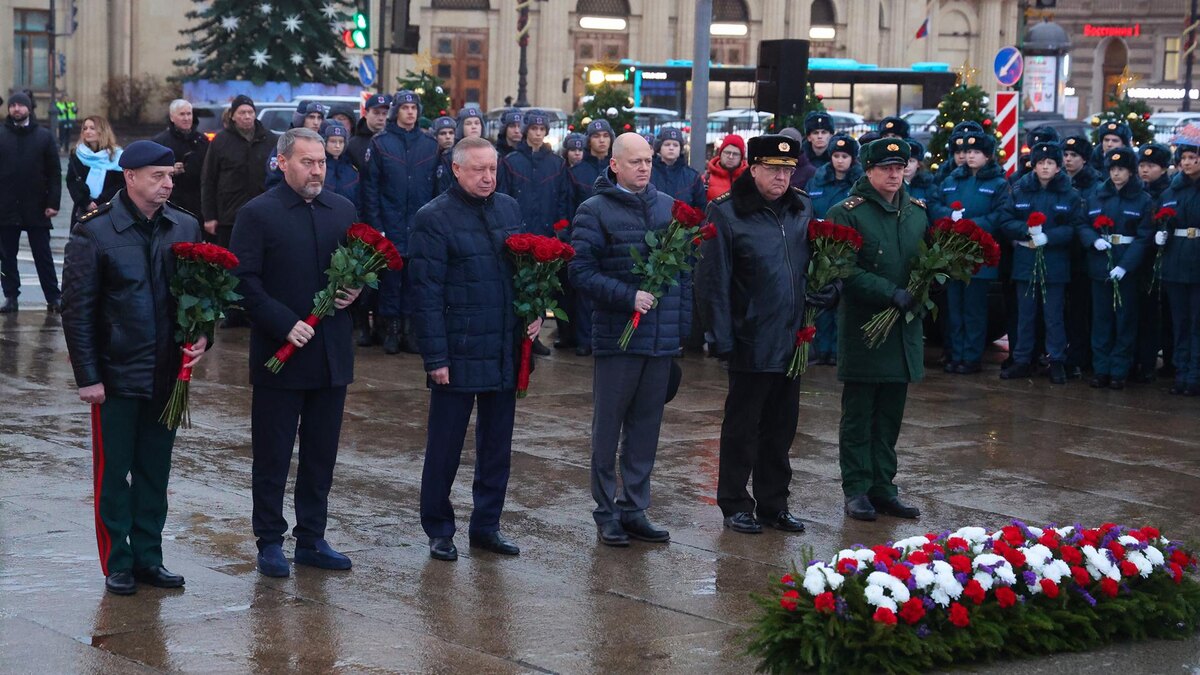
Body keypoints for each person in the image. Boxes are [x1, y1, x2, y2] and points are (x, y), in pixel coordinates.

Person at [61, 140, 205, 595]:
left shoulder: (185, 224)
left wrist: (204, 335)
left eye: (170, 177)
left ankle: (149, 558)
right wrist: (89, 377)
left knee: (154, 474)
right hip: (117, 375)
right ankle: (117, 561)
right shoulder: (95, 232)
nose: (167, 184)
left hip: (167, 375)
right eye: (157, 176)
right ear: (130, 177)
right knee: (114, 474)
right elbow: (77, 311)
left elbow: (201, 293)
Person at [229, 128, 361, 578]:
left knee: (321, 454)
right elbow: (243, 281)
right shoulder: (257, 214)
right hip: (280, 353)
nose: (317, 170)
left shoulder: (342, 210)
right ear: (282, 163)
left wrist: (356, 291)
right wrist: (283, 322)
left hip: (330, 356)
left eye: (321, 162)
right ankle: (269, 540)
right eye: (307, 162)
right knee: (273, 455)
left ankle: (312, 538)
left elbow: (357, 269)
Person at [408, 136, 542, 562]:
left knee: (497, 446)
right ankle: (439, 529)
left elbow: (523, 274)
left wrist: (534, 312)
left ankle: (487, 525)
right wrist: (436, 358)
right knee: (445, 447)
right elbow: (425, 294)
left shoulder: (509, 208)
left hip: (503, 346)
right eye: (478, 170)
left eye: (492, 169)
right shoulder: (433, 218)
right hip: (459, 349)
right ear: (456, 170)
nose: (488, 177)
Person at [702, 134, 835, 535]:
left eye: (788, 170)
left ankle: (774, 504)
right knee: (743, 427)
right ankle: (734, 503)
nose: (782, 177)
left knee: (781, 427)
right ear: (753, 169)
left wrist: (829, 289)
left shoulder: (801, 207)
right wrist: (721, 336)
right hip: (751, 335)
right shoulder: (726, 212)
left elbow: (815, 260)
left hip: (793, 336)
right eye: (774, 170)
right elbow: (713, 280)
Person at [570, 133, 691, 547]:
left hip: (660, 341)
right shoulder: (594, 210)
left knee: (645, 430)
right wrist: (627, 297)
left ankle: (634, 507)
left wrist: (681, 333)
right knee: (607, 432)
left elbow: (683, 277)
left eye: (649, 160)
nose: (644, 167)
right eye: (635, 161)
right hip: (618, 340)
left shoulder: (669, 208)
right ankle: (606, 512)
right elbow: (580, 272)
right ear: (615, 165)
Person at [824, 139, 927, 522]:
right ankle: (857, 489)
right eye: (885, 168)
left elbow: (926, 260)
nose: (894, 174)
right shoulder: (847, 213)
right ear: (868, 170)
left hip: (902, 332)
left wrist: (929, 284)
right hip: (866, 330)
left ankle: (884, 486)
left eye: (899, 167)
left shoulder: (916, 212)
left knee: (889, 418)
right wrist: (889, 292)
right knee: (859, 416)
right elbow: (842, 268)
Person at [361, 90, 439, 355]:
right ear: (397, 112)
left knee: (414, 281)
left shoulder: (429, 145)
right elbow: (370, 188)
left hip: (418, 225)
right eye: (405, 107)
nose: (410, 112)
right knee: (390, 281)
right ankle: (390, 330)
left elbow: (436, 189)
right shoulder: (381, 143)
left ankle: (409, 331)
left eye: (414, 108)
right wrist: (377, 224)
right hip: (390, 222)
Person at [999, 142, 1083, 384]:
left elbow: (1074, 227)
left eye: (1050, 163)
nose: (1045, 167)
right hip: (1025, 261)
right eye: (1040, 163)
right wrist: (1025, 230)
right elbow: (1006, 220)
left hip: (1054, 262)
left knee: (1053, 315)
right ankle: (1022, 359)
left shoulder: (1069, 194)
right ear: (1033, 166)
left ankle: (1056, 359)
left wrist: (1050, 236)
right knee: (1025, 315)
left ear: (1058, 167)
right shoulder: (1020, 190)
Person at [931, 131, 1011, 374]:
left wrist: (972, 225)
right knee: (954, 309)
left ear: (988, 156)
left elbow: (1000, 215)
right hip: (954, 253)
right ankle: (955, 354)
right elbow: (935, 204)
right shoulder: (952, 180)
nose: (970, 156)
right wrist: (948, 216)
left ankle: (972, 356)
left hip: (979, 255)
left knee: (974, 310)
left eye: (976, 152)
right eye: (967, 152)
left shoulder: (998, 183)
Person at [1079, 147, 1152, 390]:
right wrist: (1092, 239)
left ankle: (1119, 370)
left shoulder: (1142, 199)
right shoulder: (1097, 196)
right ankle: (1101, 369)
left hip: (1126, 267)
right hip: (1100, 265)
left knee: (1124, 321)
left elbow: (1143, 237)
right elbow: (1082, 222)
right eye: (1112, 169)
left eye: (1121, 169)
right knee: (1101, 321)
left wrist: (1125, 266)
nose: (1116, 174)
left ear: (1131, 172)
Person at [0, 92, 62, 313]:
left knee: (43, 255)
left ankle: (54, 298)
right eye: (13, 105)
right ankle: (10, 297)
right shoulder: (1, 135)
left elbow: (55, 173)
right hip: (6, 207)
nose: (16, 109)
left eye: (20, 105)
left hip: (37, 207)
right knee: (6, 257)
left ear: (29, 108)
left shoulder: (43, 137)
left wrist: (53, 202)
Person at [806, 134, 861, 366]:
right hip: (821, 248)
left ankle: (839, 350)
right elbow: (806, 206)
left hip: (846, 249)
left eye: (845, 156)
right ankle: (822, 349)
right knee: (823, 301)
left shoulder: (857, 184)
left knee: (842, 303)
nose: (840, 161)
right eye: (836, 156)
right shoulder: (818, 181)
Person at [200, 94, 273, 250]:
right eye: (241, 112)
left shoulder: (270, 140)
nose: (247, 116)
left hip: (264, 214)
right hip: (229, 217)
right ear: (232, 116)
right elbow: (208, 180)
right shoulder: (220, 141)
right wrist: (209, 217)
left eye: (250, 112)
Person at [1157, 139, 1200, 395]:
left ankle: (1195, 374)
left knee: (1197, 323)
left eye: (1193, 158)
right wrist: (1161, 233)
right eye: (1184, 158)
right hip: (1176, 263)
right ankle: (1181, 372)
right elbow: (1162, 217)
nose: (1187, 163)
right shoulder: (1171, 192)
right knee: (1180, 322)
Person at [498, 108, 571, 238]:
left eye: (542, 129)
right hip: (518, 233)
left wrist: (561, 228)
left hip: (549, 233)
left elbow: (563, 199)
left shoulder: (557, 163)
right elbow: (504, 197)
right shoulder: (510, 162)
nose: (538, 133)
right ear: (526, 130)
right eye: (534, 128)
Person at [1062, 135, 1101, 378]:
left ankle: (1081, 356)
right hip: (1062, 253)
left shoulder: (1094, 184)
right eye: (1065, 155)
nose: (1068, 160)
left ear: (1084, 159)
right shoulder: (1059, 181)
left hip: (1083, 256)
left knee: (1081, 310)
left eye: (1073, 155)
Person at [1134, 143, 1173, 383]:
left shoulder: (1168, 192)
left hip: (1161, 262)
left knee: (1156, 316)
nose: (1145, 170)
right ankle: (1138, 359)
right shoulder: (1137, 191)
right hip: (1139, 260)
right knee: (1140, 313)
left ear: (1163, 168)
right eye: (1142, 165)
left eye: (1151, 166)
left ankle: (1152, 362)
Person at [151, 99, 210, 223]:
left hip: (198, 203)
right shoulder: (159, 142)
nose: (186, 118)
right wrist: (171, 170)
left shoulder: (202, 140)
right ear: (172, 117)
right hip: (171, 202)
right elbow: (151, 173)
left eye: (189, 114)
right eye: (182, 114)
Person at [66, 116, 125, 224]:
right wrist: (86, 202)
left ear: (103, 130)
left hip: (108, 209)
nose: (87, 131)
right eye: (85, 128)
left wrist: (100, 202)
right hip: (83, 209)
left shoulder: (117, 156)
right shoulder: (78, 154)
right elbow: (72, 181)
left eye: (92, 128)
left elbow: (121, 184)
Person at [264, 101, 326, 190]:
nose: (316, 122)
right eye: (311, 117)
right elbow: (274, 180)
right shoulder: (287, 144)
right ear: (300, 119)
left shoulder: (325, 144)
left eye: (319, 118)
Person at [650, 127, 705, 210]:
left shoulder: (693, 177)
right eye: (667, 144)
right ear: (659, 148)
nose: (671, 148)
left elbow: (701, 207)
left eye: (675, 145)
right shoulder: (648, 172)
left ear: (680, 148)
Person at [321, 123, 360, 213]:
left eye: (341, 142)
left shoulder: (352, 170)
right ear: (325, 142)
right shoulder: (318, 168)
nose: (337, 146)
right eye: (333, 141)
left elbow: (358, 201)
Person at [347, 93, 390, 170]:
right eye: (376, 113)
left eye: (384, 113)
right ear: (366, 114)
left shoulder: (394, 141)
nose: (381, 118)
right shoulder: (353, 144)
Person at [704, 134, 747, 201]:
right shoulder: (706, 179)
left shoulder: (750, 179)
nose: (730, 157)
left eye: (735, 154)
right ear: (720, 154)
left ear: (741, 157)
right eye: (727, 152)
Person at [903, 138, 936, 208]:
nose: (907, 165)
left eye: (911, 161)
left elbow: (934, 209)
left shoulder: (927, 185)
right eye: (904, 160)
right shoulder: (892, 184)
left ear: (918, 164)